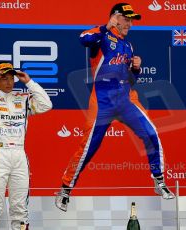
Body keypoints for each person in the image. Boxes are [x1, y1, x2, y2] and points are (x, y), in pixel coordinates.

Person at [55, 2, 175, 212]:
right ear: (115, 18)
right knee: (88, 147)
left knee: (151, 133)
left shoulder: (128, 46)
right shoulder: (100, 37)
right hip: (102, 100)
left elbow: (130, 78)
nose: (129, 24)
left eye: (131, 20)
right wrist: (104, 26)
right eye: (126, 19)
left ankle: (159, 180)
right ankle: (66, 188)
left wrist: (136, 69)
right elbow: (83, 39)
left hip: (126, 98)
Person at [0, 62, 52, 230]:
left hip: (19, 156)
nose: (9, 82)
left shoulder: (23, 98)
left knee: (20, 210)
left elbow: (46, 105)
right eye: (3, 78)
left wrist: (29, 82)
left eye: (11, 78)